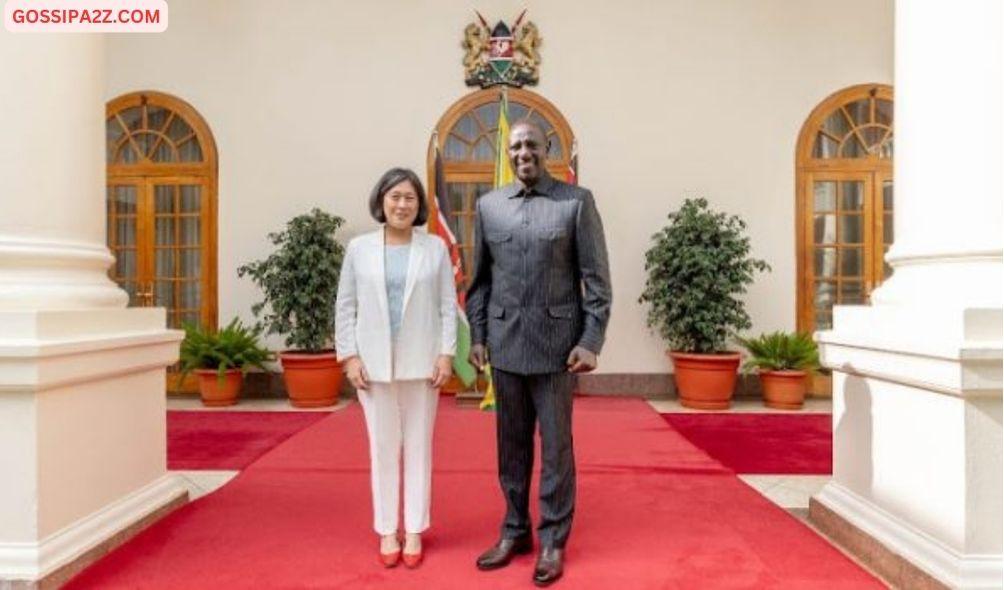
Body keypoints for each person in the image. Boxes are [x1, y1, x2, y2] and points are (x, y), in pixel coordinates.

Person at [467, 121, 612, 586]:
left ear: (546, 149)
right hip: (506, 349)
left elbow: (597, 281)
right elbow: (480, 284)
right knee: (510, 450)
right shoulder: (490, 206)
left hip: (557, 351)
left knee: (556, 450)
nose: (523, 151)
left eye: (531, 144)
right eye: (515, 146)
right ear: (507, 153)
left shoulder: (576, 202)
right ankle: (515, 529)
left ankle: (552, 539)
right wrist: (478, 337)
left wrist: (590, 341)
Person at [335, 167, 457, 569]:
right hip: (372, 366)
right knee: (383, 449)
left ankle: (416, 529)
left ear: (419, 205)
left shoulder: (435, 249)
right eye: (395, 197)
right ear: (381, 201)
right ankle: (388, 528)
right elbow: (346, 306)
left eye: (409, 198)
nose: (402, 204)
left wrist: (446, 354)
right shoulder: (359, 248)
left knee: (419, 447)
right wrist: (349, 356)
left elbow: (445, 305)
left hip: (422, 364)